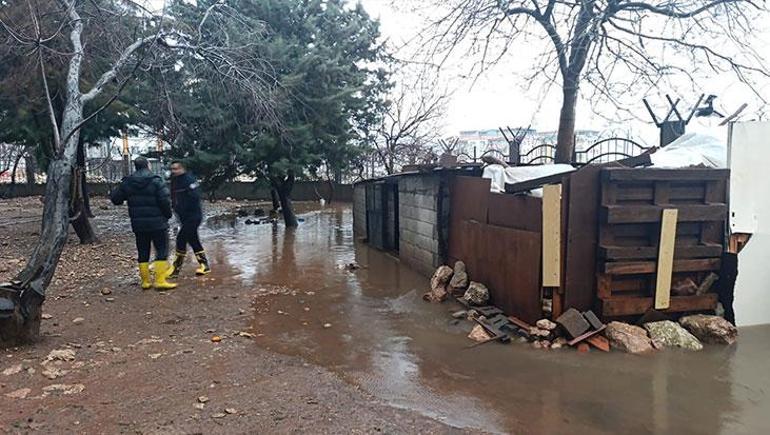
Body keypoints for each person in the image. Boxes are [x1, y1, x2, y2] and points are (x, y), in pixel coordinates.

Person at [110, 157, 177, 290]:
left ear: (136, 167)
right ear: (148, 165)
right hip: (158, 224)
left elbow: (116, 199)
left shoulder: (128, 182)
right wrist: (168, 215)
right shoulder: (156, 181)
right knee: (162, 250)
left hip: (139, 225)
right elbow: (165, 201)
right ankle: (160, 281)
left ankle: (145, 282)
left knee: (142, 251)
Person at [168, 160, 210, 277]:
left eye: (176, 169)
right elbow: (173, 197)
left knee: (181, 239)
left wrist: (183, 206)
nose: (174, 171)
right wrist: (175, 207)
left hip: (193, 216)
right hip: (183, 217)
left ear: (182, 169)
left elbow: (195, 197)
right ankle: (204, 265)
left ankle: (176, 269)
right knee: (193, 240)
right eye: (172, 169)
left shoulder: (189, 180)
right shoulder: (174, 181)